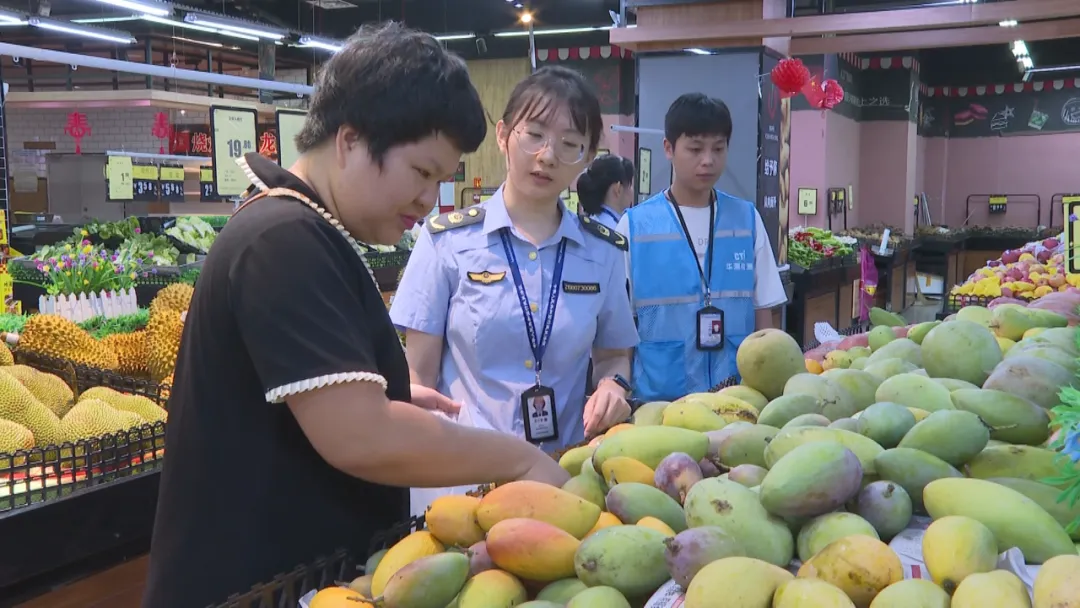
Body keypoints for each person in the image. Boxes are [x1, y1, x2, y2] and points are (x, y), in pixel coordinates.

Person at [142, 24, 571, 608]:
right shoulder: (282, 239)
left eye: (440, 181)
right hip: (252, 587)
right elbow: (361, 437)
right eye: (421, 173)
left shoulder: (304, 229)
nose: (428, 201)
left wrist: (376, 384)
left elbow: (319, 408)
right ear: (350, 140)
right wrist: (518, 458)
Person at [390, 66, 639, 516]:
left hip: (562, 474)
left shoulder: (603, 252)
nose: (547, 156)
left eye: (569, 145)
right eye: (535, 135)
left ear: (587, 159)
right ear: (504, 135)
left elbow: (614, 354)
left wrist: (614, 386)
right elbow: (417, 377)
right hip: (462, 480)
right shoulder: (447, 242)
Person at [616, 93, 786, 402]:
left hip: (736, 399)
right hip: (657, 405)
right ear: (668, 148)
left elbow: (764, 318)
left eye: (718, 149)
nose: (708, 160)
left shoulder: (746, 220)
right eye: (695, 149)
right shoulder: (635, 227)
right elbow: (620, 330)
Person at [577, 154, 635, 229]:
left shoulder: (589, 223)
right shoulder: (618, 231)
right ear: (618, 189)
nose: (632, 191)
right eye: (630, 185)